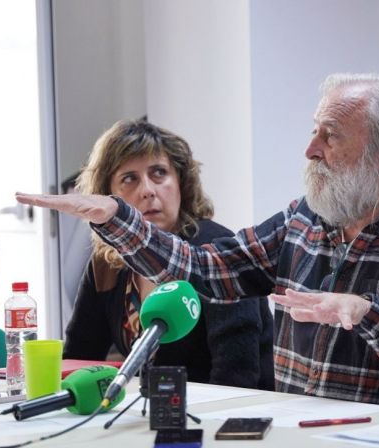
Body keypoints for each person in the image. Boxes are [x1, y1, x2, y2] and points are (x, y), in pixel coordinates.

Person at [18, 73, 379, 405]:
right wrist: (118, 219)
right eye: (313, 131)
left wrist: (367, 314)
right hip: (295, 439)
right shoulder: (306, 217)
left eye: (330, 136)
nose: (310, 149)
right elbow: (205, 271)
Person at [64, 119, 274, 389]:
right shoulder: (108, 263)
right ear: (107, 196)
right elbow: (79, 358)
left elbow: (237, 376)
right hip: (151, 414)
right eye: (129, 178)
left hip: (223, 416)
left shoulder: (216, 251)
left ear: (181, 183)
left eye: (159, 173)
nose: (148, 190)